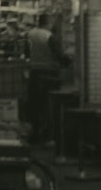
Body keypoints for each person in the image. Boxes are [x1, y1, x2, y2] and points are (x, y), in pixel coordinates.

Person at [26, 14, 69, 143]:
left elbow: (26, 52)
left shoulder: (30, 34)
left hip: (34, 73)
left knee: (35, 105)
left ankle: (35, 134)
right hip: (49, 75)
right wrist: (69, 62)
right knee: (48, 107)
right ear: (48, 22)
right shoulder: (49, 37)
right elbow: (60, 56)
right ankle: (48, 136)